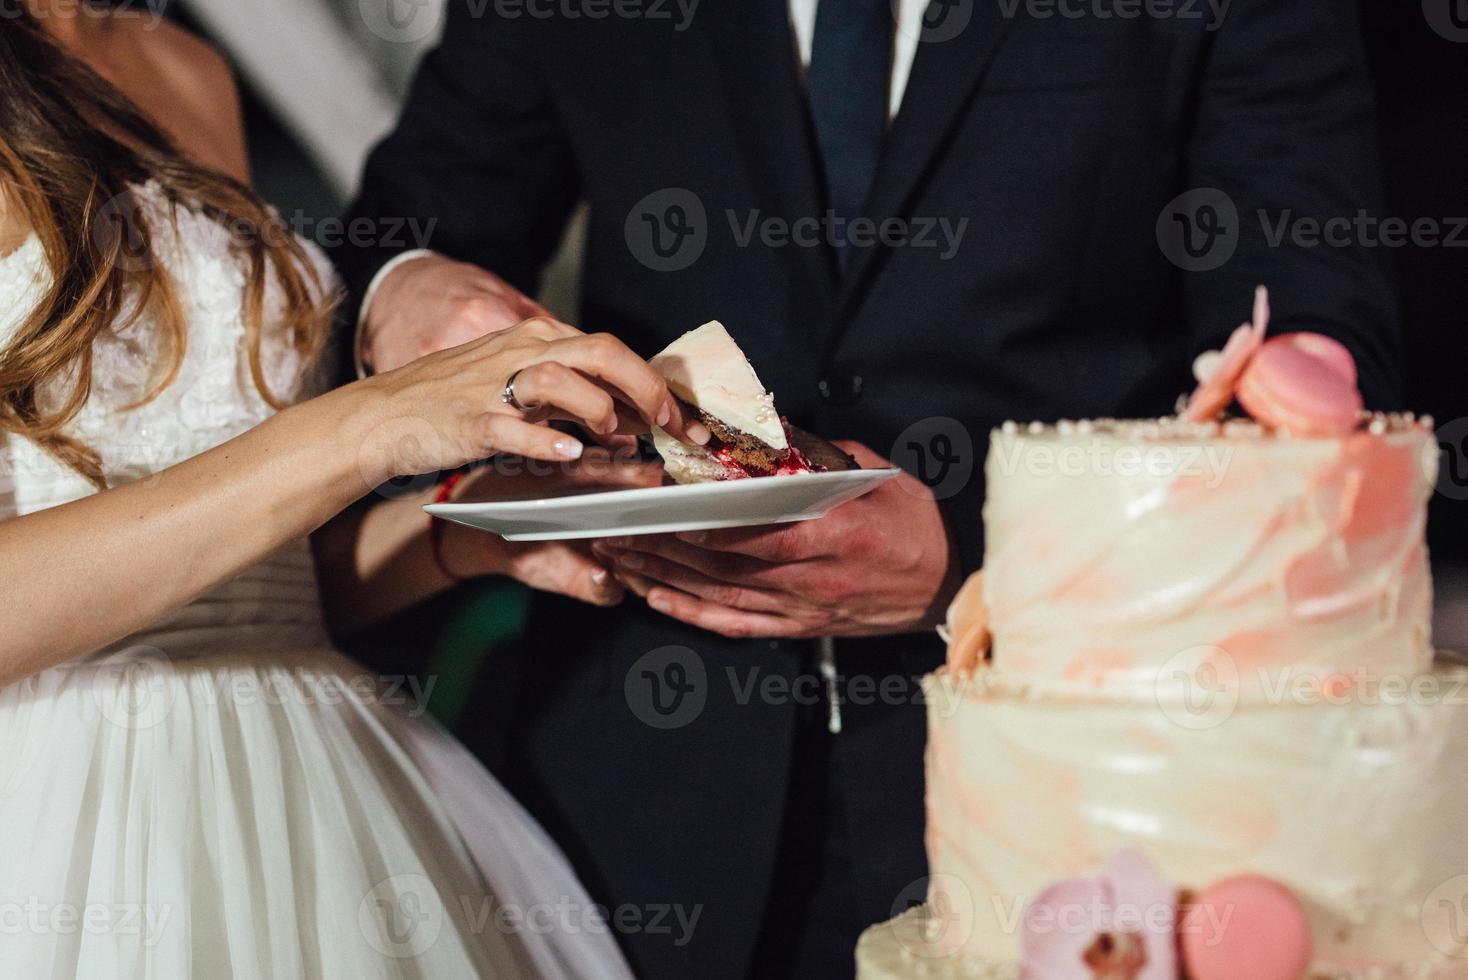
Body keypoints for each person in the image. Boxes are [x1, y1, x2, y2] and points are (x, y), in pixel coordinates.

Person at [338, 1, 1403, 977]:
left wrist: (977, 570)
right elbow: (389, 249)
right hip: (630, 797)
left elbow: (1320, 397)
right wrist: (403, 291)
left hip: (1066, 800)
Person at [0, 3, 705, 976]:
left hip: (320, 779)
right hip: (65, 827)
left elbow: (254, 590)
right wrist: (361, 425)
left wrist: (466, 530)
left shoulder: (186, 66)